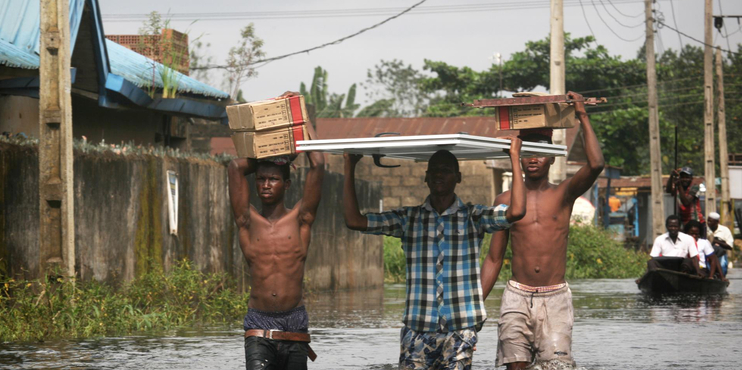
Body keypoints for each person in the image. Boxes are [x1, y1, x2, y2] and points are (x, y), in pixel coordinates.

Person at [343, 138, 527, 369]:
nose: (439, 175)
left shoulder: (474, 216)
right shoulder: (408, 219)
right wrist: (349, 166)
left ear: (458, 177)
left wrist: (514, 157)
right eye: (434, 171)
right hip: (418, 327)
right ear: (426, 177)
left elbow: (517, 211)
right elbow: (355, 221)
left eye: (446, 170)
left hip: (460, 328)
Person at [481, 91, 605, 370]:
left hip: (555, 297)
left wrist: (581, 113)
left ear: (551, 158)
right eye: (526, 153)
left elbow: (596, 164)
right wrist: (475, 306)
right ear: (518, 156)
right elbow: (494, 258)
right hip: (516, 295)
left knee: (556, 366)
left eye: (540, 153)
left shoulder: (564, 194)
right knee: (515, 366)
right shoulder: (504, 200)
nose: (533, 159)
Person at [228, 92, 325, 370]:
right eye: (261, 179)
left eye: (273, 179)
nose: (266, 185)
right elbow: (235, 166)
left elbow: (318, 164)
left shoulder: (300, 219)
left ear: (287, 184)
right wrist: (272, 151)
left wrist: (299, 116)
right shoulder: (247, 220)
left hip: (294, 321)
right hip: (259, 322)